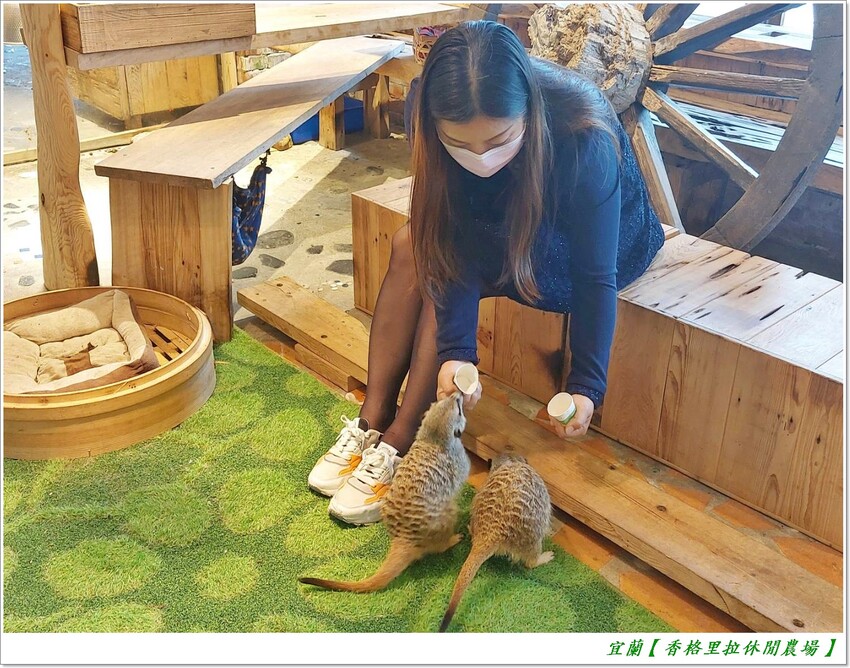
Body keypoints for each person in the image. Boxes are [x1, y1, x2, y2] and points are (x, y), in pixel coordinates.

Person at [308, 20, 664, 525]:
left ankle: (402, 439)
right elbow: (447, 229)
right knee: (414, 243)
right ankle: (373, 419)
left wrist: (586, 384)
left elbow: (594, 276)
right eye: (460, 144)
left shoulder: (584, 132)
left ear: (529, 114)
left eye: (499, 139)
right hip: (498, 223)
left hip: (579, 243)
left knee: (437, 260)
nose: (481, 159)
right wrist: (457, 354)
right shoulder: (425, 106)